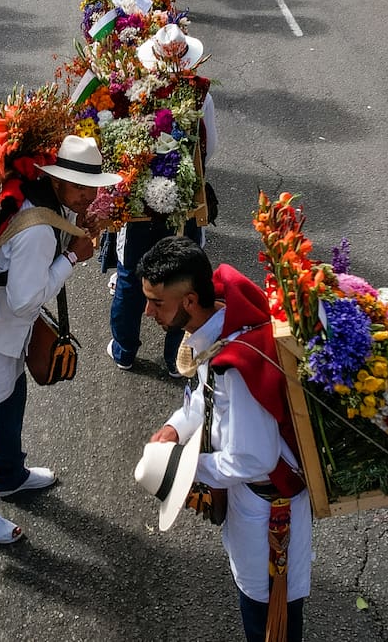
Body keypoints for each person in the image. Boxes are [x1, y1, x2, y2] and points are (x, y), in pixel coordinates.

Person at [0, 135, 120, 544]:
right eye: (78, 187)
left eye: (92, 187)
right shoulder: (38, 228)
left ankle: (8, 475)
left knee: (8, 407)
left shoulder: (45, 199)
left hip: (4, 334)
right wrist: (73, 257)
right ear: (55, 179)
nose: (87, 196)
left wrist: (77, 231)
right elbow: (25, 301)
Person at [140, 237, 312, 642]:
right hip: (251, 503)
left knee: (268, 618)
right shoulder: (219, 326)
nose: (147, 312)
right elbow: (204, 398)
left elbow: (254, 458)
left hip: (268, 513)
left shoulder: (235, 367)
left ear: (189, 301)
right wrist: (178, 426)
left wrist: (183, 466)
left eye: (156, 302)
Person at [107, 25, 216, 373]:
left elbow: (116, 145)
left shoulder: (134, 93)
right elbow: (208, 146)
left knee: (130, 273)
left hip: (139, 201)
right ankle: (175, 359)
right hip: (183, 200)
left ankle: (124, 349)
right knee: (183, 277)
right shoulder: (200, 96)